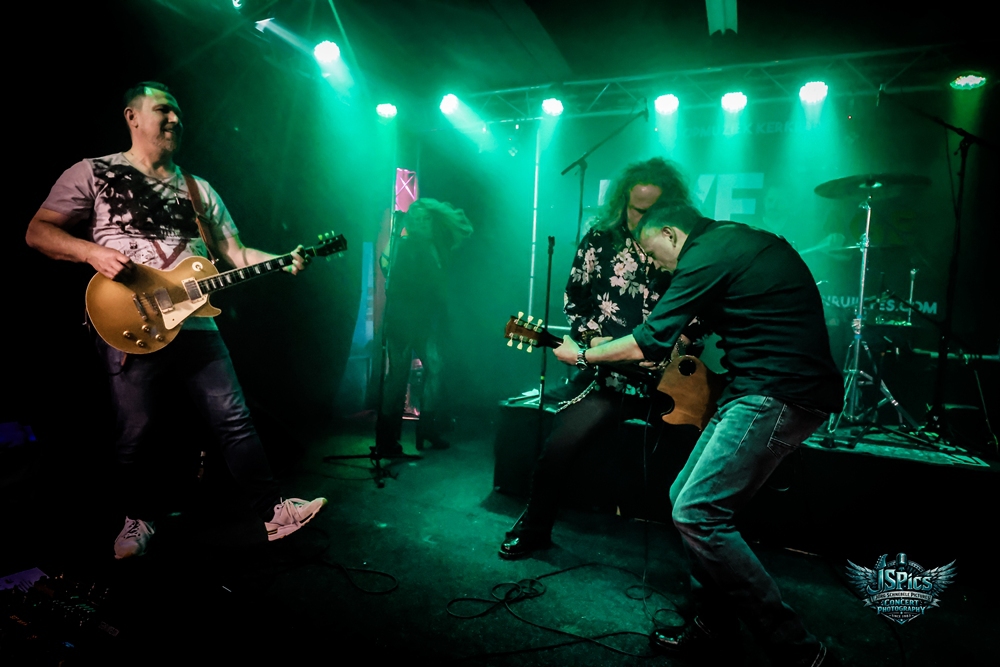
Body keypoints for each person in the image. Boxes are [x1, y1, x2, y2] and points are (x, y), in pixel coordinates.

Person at [25, 81, 327, 560]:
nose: (175, 120)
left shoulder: (198, 188)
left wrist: (283, 259)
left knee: (234, 418)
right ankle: (136, 519)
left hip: (197, 323)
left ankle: (274, 513)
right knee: (137, 430)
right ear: (132, 116)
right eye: (164, 110)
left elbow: (235, 253)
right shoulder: (93, 171)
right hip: (132, 319)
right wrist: (91, 253)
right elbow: (38, 231)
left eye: (179, 114)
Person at [551, 200, 844, 666]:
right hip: (758, 389)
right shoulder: (733, 242)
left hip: (778, 393)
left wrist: (583, 356)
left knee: (699, 512)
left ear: (670, 233)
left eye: (654, 253)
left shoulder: (706, 253)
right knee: (683, 497)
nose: (657, 266)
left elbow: (651, 341)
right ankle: (714, 625)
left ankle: (800, 652)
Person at [499, 157, 703, 560]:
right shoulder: (599, 239)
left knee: (695, 462)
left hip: (670, 383)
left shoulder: (685, 243)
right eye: (635, 208)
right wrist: (594, 341)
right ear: (622, 200)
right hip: (608, 379)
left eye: (651, 209)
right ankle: (534, 528)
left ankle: (700, 551)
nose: (640, 217)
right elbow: (575, 300)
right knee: (558, 449)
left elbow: (701, 307)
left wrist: (678, 347)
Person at [375, 198, 473, 456]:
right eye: (416, 220)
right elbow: (385, 266)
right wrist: (396, 233)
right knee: (397, 377)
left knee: (436, 368)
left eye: (425, 219)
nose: (421, 224)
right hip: (402, 319)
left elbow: (464, 232)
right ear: (410, 222)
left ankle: (427, 430)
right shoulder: (404, 245)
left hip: (427, 320)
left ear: (432, 221)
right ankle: (387, 440)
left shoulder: (439, 245)